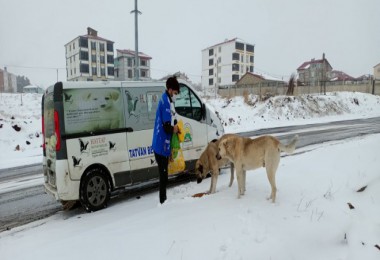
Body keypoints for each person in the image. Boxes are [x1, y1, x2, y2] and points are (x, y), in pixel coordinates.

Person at [152, 76, 180, 204]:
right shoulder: (165, 103)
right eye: (175, 93)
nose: (175, 96)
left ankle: (163, 201)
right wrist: (175, 129)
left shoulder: (166, 100)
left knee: (164, 177)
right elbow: (166, 127)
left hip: (161, 145)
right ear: (169, 90)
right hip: (160, 146)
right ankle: (163, 204)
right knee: (163, 178)